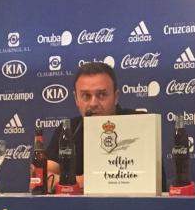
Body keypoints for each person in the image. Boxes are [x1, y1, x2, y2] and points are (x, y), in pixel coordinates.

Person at [45, 62, 138, 190]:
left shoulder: (138, 123)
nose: (93, 103)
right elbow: (43, 176)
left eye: (101, 95)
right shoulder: (68, 130)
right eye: (86, 96)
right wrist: (81, 181)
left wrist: (92, 180)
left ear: (116, 97)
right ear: (76, 99)